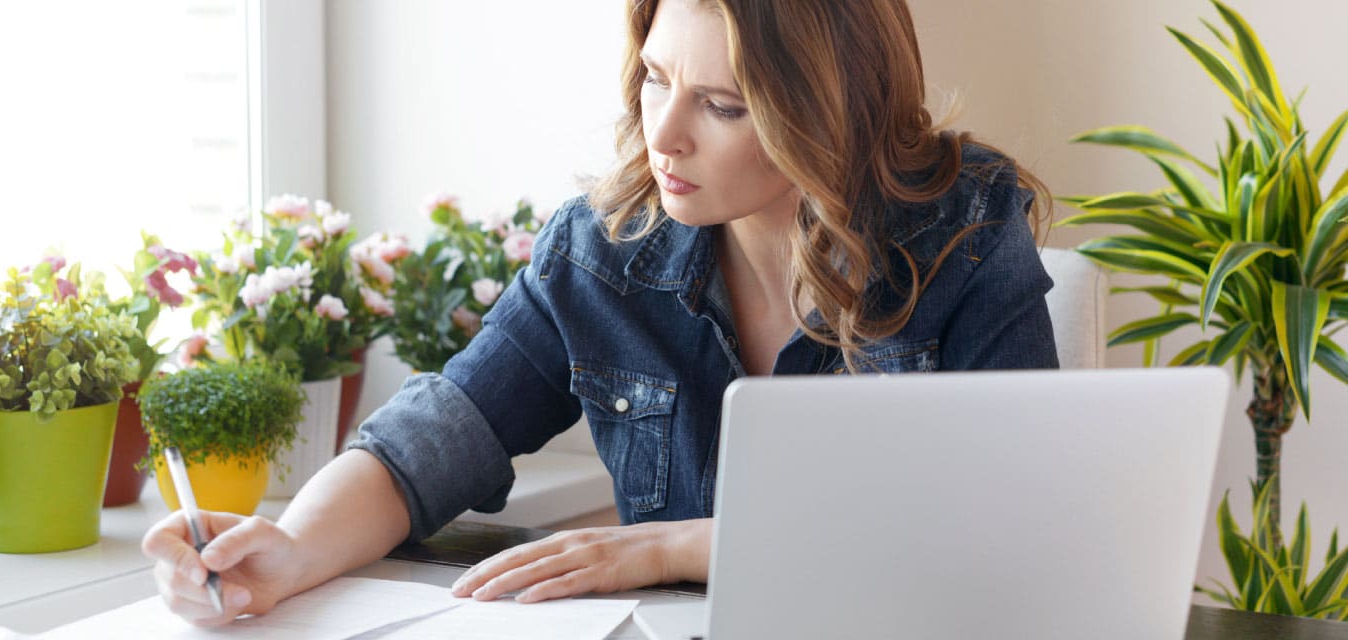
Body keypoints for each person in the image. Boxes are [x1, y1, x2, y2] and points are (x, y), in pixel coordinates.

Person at [143, 0, 1057, 625]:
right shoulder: (605, 248)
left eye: (723, 105)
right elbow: (440, 433)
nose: (663, 134)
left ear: (828, 114)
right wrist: (292, 549)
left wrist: (672, 547)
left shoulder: (964, 232)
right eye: (657, 78)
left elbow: (1014, 520)